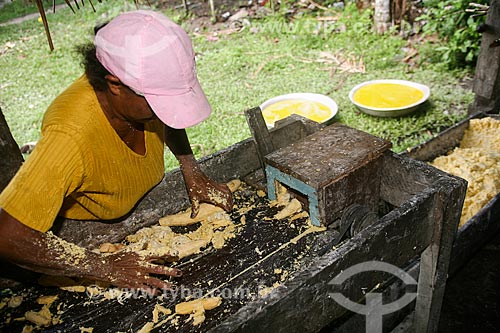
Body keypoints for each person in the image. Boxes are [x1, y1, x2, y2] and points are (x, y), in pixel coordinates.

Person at [0, 10, 233, 293]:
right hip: (86, 229)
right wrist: (106, 266)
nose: (162, 114)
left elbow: (169, 117)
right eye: (157, 104)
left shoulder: (138, 102)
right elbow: (8, 235)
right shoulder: (70, 136)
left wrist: (191, 169)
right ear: (115, 85)